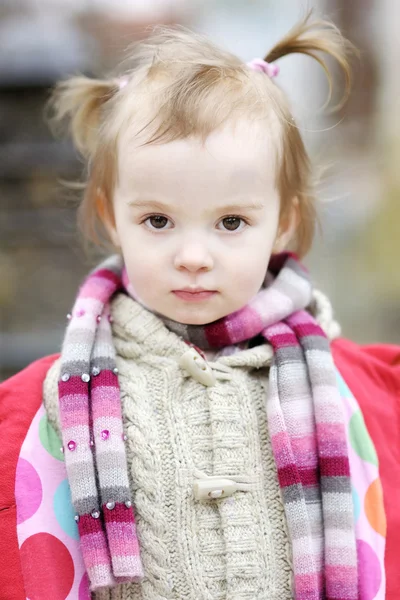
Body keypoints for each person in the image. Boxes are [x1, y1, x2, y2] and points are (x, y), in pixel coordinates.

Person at [1, 11, 399, 600]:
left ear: (283, 220)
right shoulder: (58, 402)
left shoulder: (348, 391)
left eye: (231, 222)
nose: (193, 255)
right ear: (114, 218)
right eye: (157, 220)